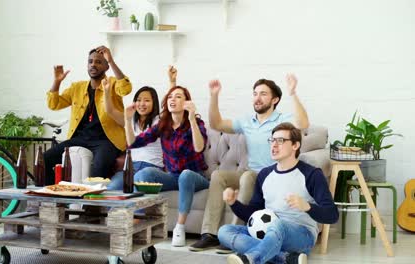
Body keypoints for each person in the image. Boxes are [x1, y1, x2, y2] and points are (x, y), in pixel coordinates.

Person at [190, 74, 310, 252]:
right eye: (255, 93)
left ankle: (239, 234)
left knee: (247, 177)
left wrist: (293, 93)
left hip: (269, 174)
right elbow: (216, 124)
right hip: (251, 171)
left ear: (275, 99)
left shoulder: (282, 120)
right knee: (218, 176)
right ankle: (209, 234)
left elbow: (303, 122)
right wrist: (214, 96)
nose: (257, 98)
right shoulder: (247, 121)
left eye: (263, 94)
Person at [218, 122, 339, 264]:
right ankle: (286, 258)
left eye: (280, 141)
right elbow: (253, 213)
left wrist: (307, 207)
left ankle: (251, 259)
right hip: (268, 231)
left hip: (302, 235)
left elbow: (332, 215)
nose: (274, 145)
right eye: (272, 140)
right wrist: (234, 203)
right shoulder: (264, 174)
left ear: (295, 145)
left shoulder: (311, 174)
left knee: (278, 225)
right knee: (225, 231)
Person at [125, 85, 210, 247]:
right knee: (144, 174)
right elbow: (133, 143)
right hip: (173, 176)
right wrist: (128, 120)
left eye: (178, 97)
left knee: (185, 174)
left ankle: (180, 227)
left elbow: (199, 147)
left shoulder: (197, 123)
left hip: (195, 176)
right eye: (170, 97)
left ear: (186, 103)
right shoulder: (163, 125)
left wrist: (191, 118)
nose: (173, 99)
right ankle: (138, 221)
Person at [44, 46, 132, 185]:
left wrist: (112, 61)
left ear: (106, 67)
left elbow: (126, 88)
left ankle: (93, 206)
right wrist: (57, 82)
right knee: (45, 159)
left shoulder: (112, 83)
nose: (93, 65)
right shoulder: (77, 87)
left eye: (98, 62)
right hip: (80, 138)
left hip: (106, 140)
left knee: (99, 168)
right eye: (90, 61)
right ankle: (51, 198)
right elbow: (54, 104)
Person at [106, 85, 163, 190]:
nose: (141, 104)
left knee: (135, 192)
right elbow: (110, 111)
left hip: (150, 167)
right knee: (111, 189)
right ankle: (117, 207)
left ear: (154, 103)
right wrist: (107, 91)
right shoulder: (130, 120)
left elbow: (171, 109)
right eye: (138, 100)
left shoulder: (159, 121)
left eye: (147, 100)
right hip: (130, 168)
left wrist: (172, 82)